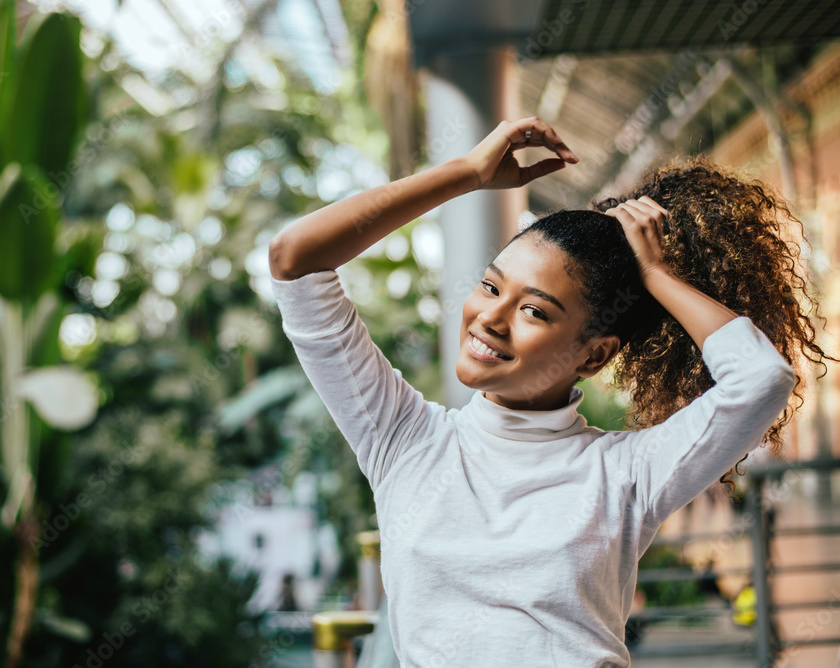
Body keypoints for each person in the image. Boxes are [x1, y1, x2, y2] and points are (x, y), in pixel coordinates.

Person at [266, 117, 832, 667]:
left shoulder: (625, 473)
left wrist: (656, 275)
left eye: (534, 310)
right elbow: (295, 261)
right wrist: (468, 173)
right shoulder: (402, 439)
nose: (490, 317)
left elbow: (761, 378)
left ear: (595, 354)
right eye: (491, 286)